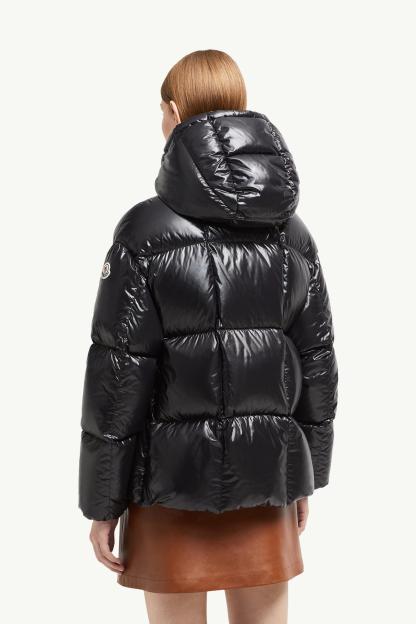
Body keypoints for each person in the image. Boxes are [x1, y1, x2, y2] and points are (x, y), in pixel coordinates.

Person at [78, 49, 338, 624]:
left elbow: (118, 375)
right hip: (267, 480)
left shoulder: (145, 231)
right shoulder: (292, 233)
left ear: (173, 112)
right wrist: (306, 476)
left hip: (168, 488)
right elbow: (317, 360)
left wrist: (102, 502)